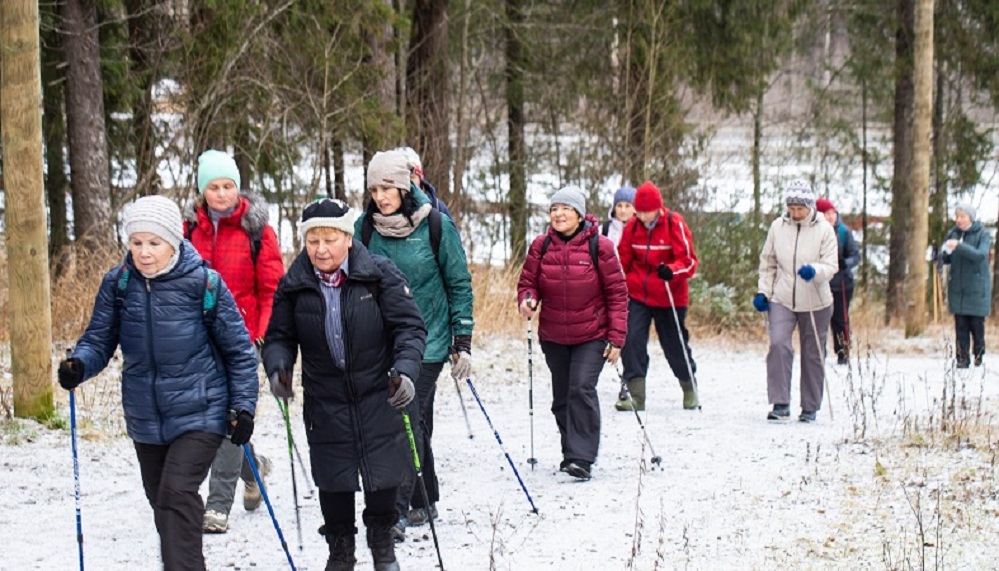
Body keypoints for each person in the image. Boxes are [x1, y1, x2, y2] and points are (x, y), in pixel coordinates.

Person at [58, 195, 259, 570]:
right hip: (145, 416)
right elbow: (98, 340)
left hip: (202, 410)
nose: (144, 252)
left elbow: (239, 353)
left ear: (174, 242)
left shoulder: (204, 284)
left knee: (176, 493)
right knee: (163, 505)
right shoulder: (118, 285)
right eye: (136, 243)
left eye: (154, 243)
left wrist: (243, 407)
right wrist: (79, 366)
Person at [262, 198, 427, 571]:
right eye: (313, 240)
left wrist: (405, 370)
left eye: (330, 239)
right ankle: (340, 553)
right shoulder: (294, 285)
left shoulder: (380, 274)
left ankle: (383, 547)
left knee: (383, 475)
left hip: (380, 392)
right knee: (333, 480)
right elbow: (278, 338)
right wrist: (278, 367)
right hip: (326, 398)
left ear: (348, 238)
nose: (321, 249)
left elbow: (410, 328)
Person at [357, 149, 474, 541]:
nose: (380, 195)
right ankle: (426, 497)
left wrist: (463, 339)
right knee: (416, 421)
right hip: (380, 340)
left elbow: (458, 283)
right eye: (374, 188)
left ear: (405, 186)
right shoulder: (365, 228)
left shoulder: (436, 225)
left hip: (430, 340)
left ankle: (396, 510)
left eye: (387, 187)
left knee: (402, 417)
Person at [184, 149, 285, 533]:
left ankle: (218, 505)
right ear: (202, 190)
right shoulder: (187, 230)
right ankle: (254, 468)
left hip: (243, 338)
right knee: (206, 419)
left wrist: (263, 334)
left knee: (230, 414)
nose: (222, 194)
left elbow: (272, 288)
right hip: (196, 340)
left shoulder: (256, 230)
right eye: (214, 187)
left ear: (238, 188)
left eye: (228, 186)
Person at [516, 185, 629, 481]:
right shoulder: (541, 246)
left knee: (581, 388)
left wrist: (617, 338)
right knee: (563, 398)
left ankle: (582, 457)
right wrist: (527, 299)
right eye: (554, 209)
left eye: (565, 209)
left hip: (592, 334)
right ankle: (571, 454)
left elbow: (617, 294)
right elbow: (528, 282)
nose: (559, 214)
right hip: (554, 336)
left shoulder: (600, 246)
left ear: (579, 214)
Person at [753, 179, 838, 423]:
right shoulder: (778, 227)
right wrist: (763, 292)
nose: (796, 213)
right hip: (782, 296)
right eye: (791, 208)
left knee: (812, 352)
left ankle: (810, 406)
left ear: (809, 206)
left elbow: (832, 265)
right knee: (779, 344)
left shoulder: (824, 229)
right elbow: (767, 262)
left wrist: (815, 270)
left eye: (800, 208)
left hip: (816, 299)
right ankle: (780, 403)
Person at [615, 181, 699, 412]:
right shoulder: (632, 227)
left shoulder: (674, 223)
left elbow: (690, 261)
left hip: (668, 294)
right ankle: (635, 395)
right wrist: (617, 284)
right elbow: (623, 261)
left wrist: (672, 270)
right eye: (639, 212)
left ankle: (689, 386)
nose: (643, 217)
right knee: (630, 340)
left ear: (658, 208)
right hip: (638, 293)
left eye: (646, 212)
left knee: (674, 345)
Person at [939, 202, 992, 368]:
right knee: (960, 326)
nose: (959, 220)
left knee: (976, 326)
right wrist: (941, 255)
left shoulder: (982, 234)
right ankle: (962, 360)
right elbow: (947, 258)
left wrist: (959, 246)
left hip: (976, 290)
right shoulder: (953, 234)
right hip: (958, 289)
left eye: (962, 216)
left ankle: (978, 355)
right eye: (957, 216)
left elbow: (980, 256)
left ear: (970, 217)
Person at [815, 198, 860, 366]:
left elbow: (855, 255)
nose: (831, 216)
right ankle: (819, 353)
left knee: (841, 320)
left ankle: (843, 352)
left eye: (833, 213)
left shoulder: (843, 232)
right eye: (827, 213)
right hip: (821, 283)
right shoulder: (814, 233)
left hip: (842, 283)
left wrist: (845, 263)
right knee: (820, 320)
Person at [394, 146, 452, 218]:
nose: (407, 183)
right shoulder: (383, 207)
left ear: (420, 178)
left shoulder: (437, 207)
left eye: (411, 177)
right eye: (401, 178)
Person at [601, 186, 637, 252]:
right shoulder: (603, 229)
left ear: (635, 209)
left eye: (627, 206)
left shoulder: (642, 230)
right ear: (614, 208)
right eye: (619, 206)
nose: (623, 210)